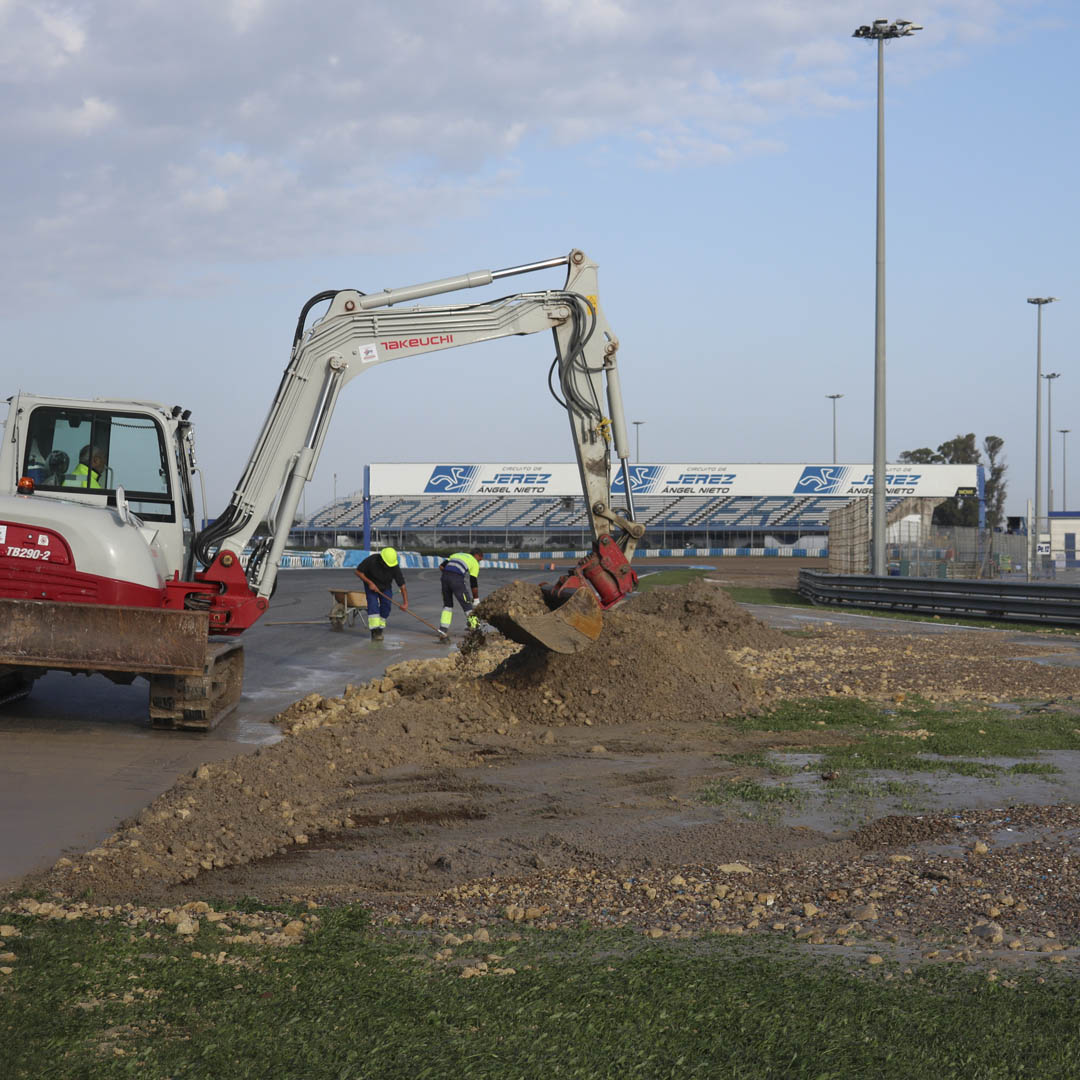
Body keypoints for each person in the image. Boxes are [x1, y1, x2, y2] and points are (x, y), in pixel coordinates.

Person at [354, 546, 407, 641]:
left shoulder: (394, 566)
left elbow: (402, 585)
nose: (389, 567)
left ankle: (381, 628)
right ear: (382, 560)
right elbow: (358, 572)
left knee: (386, 606)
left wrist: (405, 603)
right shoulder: (372, 560)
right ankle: (375, 631)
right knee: (373, 605)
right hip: (371, 585)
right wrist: (370, 583)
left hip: (385, 586)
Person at [438, 549, 483, 641]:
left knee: (447, 605)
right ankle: (476, 629)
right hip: (456, 580)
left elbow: (441, 566)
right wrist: (476, 599)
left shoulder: (457, 554)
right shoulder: (474, 562)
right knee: (467, 605)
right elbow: (473, 582)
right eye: (480, 558)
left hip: (444, 578)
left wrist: (449, 577)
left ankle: (443, 629)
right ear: (477, 556)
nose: (480, 560)